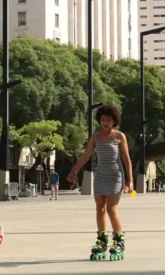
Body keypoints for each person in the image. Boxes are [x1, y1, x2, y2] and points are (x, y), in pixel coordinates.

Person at [67, 104, 133, 261]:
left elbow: (126, 159)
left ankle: (118, 241)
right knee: (99, 208)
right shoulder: (95, 137)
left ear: (114, 121)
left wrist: (130, 181)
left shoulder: (119, 136)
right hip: (100, 174)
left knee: (111, 208)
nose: (105, 123)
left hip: (115, 175)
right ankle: (102, 240)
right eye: (103, 120)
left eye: (108, 120)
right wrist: (74, 170)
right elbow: (85, 156)